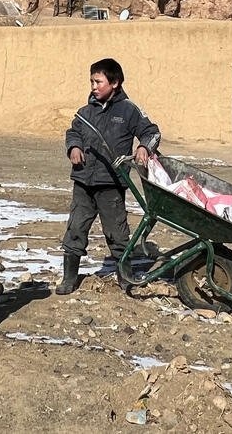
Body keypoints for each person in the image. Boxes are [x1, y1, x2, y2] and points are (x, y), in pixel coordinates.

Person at [56, 58, 161, 296]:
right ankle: (69, 278)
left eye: (98, 81)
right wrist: (74, 147)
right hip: (84, 182)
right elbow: (73, 132)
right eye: (91, 81)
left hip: (112, 183)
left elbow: (152, 132)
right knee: (76, 228)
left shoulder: (129, 111)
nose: (93, 86)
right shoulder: (84, 112)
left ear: (114, 83)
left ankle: (125, 277)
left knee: (117, 232)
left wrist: (144, 147)